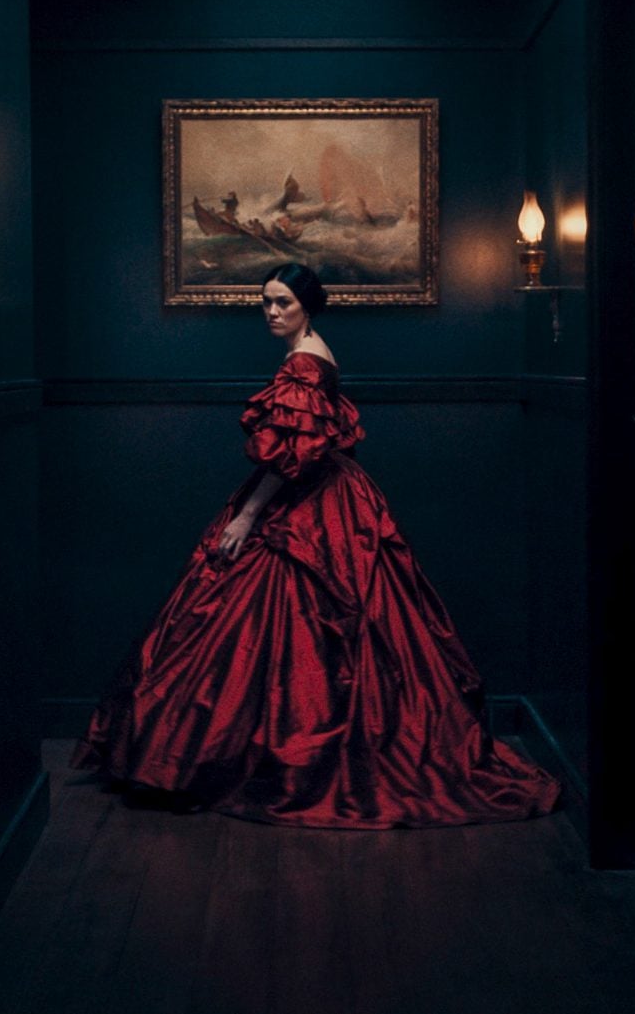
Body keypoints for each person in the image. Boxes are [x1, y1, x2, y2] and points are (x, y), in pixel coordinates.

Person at [72, 263, 563, 829]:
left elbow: (290, 455)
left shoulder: (304, 363)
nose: (271, 312)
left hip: (310, 505)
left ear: (307, 306)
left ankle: (239, 762)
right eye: (265, 301)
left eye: (282, 302)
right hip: (331, 494)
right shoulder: (312, 353)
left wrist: (248, 516)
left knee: (285, 626)